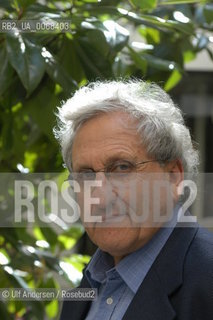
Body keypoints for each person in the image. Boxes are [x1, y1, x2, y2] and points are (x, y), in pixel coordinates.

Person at [54, 80, 213, 320]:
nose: (100, 197)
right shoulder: (89, 284)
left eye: (121, 168)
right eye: (86, 174)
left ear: (173, 176)